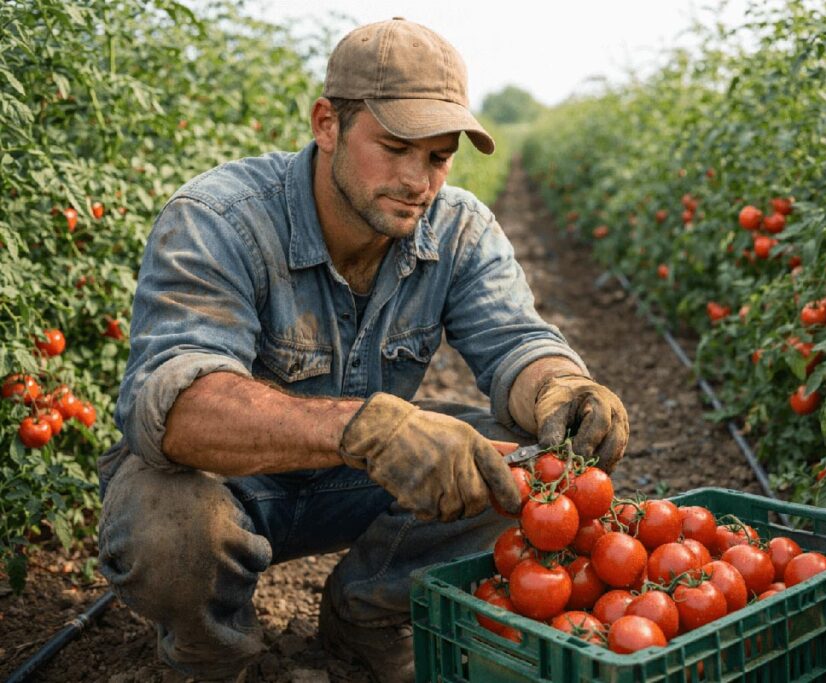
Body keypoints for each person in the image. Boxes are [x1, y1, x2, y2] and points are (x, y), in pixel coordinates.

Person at [96, 17, 629, 683]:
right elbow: (176, 408)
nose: (418, 180)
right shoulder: (218, 219)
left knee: (536, 470)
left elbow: (516, 341)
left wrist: (559, 386)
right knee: (164, 523)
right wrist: (361, 429)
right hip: (228, 487)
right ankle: (211, 654)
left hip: (363, 484)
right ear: (328, 124)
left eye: (438, 157)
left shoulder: (458, 229)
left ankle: (364, 613)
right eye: (397, 147)